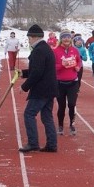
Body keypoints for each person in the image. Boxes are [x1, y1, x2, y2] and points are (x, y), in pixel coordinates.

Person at [19, 24, 58, 153]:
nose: (28, 40)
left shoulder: (39, 50)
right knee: (47, 117)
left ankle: (33, 143)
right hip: (50, 89)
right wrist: (24, 73)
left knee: (29, 114)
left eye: (29, 37)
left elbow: (37, 72)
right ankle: (52, 144)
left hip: (41, 90)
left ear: (35, 37)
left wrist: (24, 87)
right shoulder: (45, 48)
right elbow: (38, 69)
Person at [54, 31, 82, 136]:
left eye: (68, 37)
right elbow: (52, 66)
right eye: (64, 37)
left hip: (73, 82)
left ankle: (72, 124)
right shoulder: (55, 51)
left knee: (71, 104)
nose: (66, 39)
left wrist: (78, 67)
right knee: (61, 106)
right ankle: (60, 125)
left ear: (71, 39)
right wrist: (62, 65)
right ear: (61, 39)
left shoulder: (75, 50)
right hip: (60, 83)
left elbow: (79, 61)